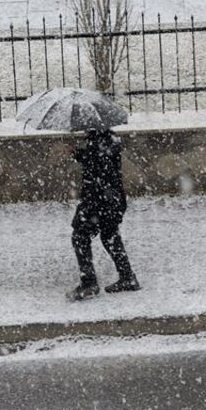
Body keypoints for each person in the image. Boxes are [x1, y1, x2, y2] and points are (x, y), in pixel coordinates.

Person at [68, 128, 139, 301]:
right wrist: (80, 154)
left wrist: (83, 155)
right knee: (109, 235)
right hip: (111, 200)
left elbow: (100, 169)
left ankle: (89, 282)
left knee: (80, 236)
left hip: (99, 200)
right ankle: (128, 277)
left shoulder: (98, 144)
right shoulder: (108, 140)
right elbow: (101, 164)